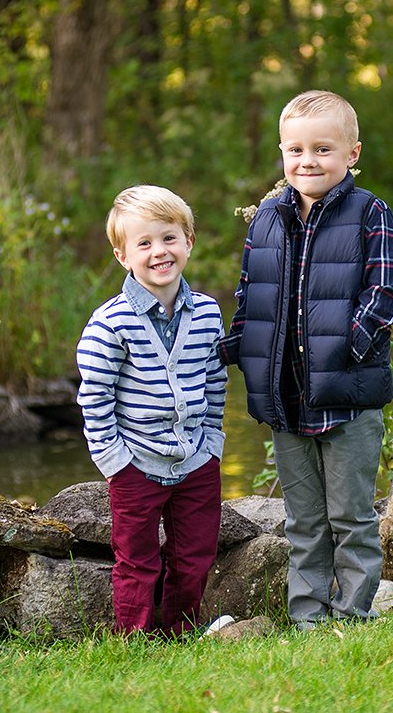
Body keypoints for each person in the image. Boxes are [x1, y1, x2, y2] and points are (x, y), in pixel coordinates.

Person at [219, 90, 393, 628]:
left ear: (352, 153)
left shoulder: (369, 211)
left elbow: (388, 294)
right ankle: (307, 618)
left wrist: (346, 345)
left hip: (347, 398)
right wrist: (236, 352)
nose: (308, 161)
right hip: (287, 398)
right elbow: (250, 298)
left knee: (350, 516)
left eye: (322, 149)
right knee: (304, 520)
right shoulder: (267, 220)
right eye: (296, 149)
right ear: (282, 153)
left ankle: (351, 614)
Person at [76, 185, 227, 637]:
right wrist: (113, 461)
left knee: (195, 554)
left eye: (168, 238)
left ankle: (181, 631)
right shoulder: (111, 323)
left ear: (188, 242)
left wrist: (214, 441)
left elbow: (216, 380)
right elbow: (95, 396)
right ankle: (135, 637)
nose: (158, 252)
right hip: (136, 462)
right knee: (136, 558)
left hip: (197, 459)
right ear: (123, 256)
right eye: (144, 243)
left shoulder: (207, 313)